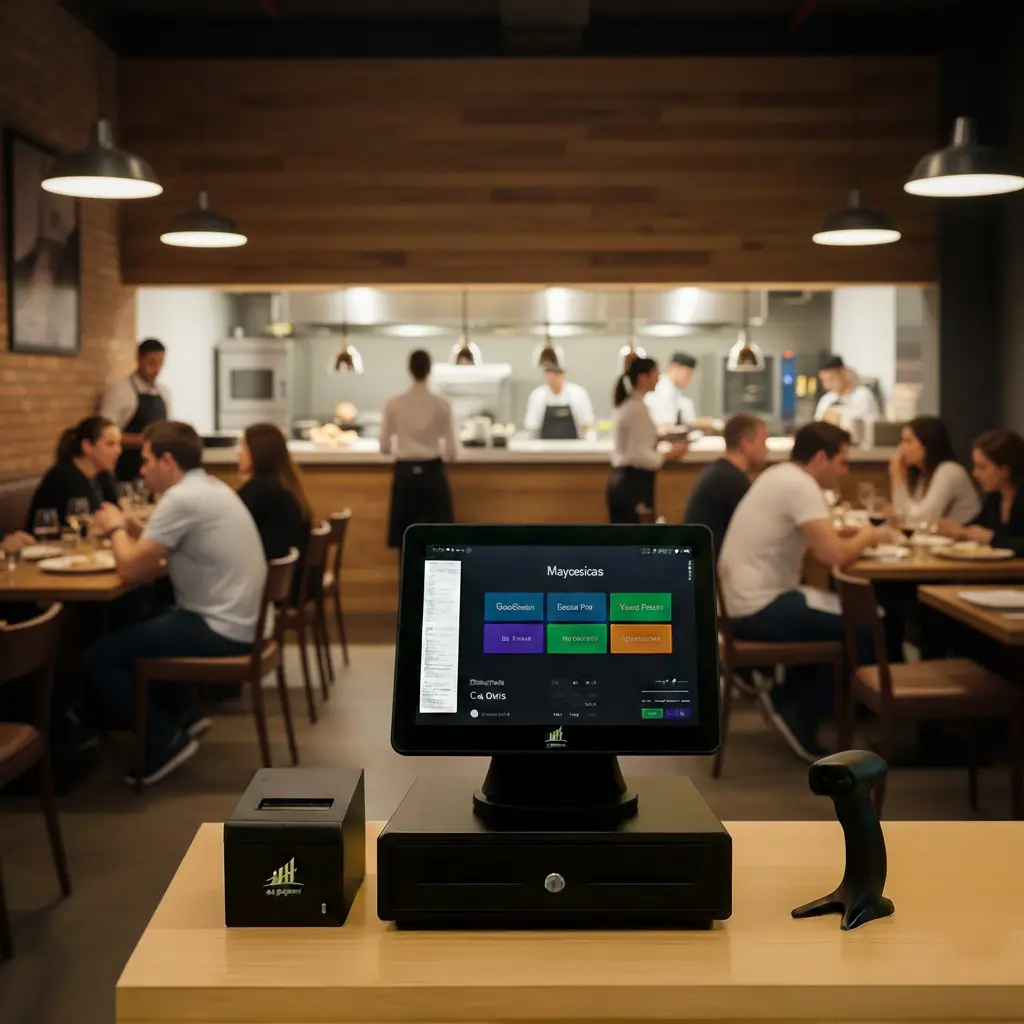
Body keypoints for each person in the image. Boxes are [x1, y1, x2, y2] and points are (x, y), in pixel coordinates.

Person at [86, 422, 267, 787]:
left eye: (147, 460)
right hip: (244, 619)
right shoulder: (207, 486)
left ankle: (163, 740)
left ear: (167, 461)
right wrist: (132, 527)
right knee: (148, 617)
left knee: (99, 657)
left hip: (222, 627)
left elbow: (131, 569)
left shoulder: (181, 498)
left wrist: (115, 528)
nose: (141, 469)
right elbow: (159, 545)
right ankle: (182, 713)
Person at [718, 422, 893, 762]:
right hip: (757, 609)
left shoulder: (781, 475)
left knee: (847, 617)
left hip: (740, 604)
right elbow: (834, 556)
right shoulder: (800, 486)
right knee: (867, 627)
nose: (845, 471)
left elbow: (818, 547)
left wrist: (846, 536)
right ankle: (800, 711)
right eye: (842, 462)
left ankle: (792, 699)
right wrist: (870, 535)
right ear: (820, 459)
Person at [380, 349, 458, 550]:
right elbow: (451, 451)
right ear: (430, 370)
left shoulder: (394, 403)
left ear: (409, 370)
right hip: (433, 473)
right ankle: (436, 581)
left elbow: (384, 447)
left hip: (404, 474)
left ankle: (408, 580)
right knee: (439, 539)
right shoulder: (441, 404)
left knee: (406, 541)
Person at [607, 357, 688, 523]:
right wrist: (669, 455)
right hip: (632, 486)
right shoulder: (636, 410)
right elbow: (639, 455)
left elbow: (637, 442)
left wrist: (663, 437)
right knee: (633, 543)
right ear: (643, 377)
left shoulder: (634, 406)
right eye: (655, 375)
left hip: (626, 484)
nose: (658, 379)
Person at [237, 423, 313, 601]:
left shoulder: (259, 489)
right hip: (294, 582)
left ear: (258, 453)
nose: (239, 454)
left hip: (275, 587)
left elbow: (230, 530)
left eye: (244, 448)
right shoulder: (285, 483)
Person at [683, 413, 769, 558]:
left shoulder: (720, 472)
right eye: (763, 442)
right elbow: (757, 534)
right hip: (708, 573)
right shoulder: (731, 480)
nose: (767, 449)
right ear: (746, 443)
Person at [936, 428, 1024, 554]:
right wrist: (956, 531)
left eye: (982, 467)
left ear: (1005, 470)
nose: (975, 474)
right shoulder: (995, 497)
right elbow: (976, 527)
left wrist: (991, 538)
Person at [26, 416, 121, 529]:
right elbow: (88, 524)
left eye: (119, 444)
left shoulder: (103, 474)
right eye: (110, 444)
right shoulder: (63, 476)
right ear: (87, 446)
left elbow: (116, 512)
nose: (118, 451)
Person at [101, 338, 171, 482]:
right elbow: (104, 434)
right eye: (151, 363)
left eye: (161, 363)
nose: (157, 368)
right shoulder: (120, 391)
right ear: (139, 358)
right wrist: (142, 440)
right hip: (126, 471)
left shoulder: (164, 392)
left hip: (156, 471)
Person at [890, 416, 980, 526]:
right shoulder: (924, 474)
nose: (901, 448)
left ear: (927, 444)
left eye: (908, 441)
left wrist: (898, 478)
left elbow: (923, 520)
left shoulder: (949, 471)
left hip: (969, 541)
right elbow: (904, 517)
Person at [523, 362, 595, 440]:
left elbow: (586, 425)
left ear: (563, 375)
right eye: (549, 373)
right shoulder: (537, 396)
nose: (552, 377)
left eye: (556, 374)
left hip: (574, 447)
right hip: (544, 448)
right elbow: (532, 427)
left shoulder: (578, 394)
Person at [814, 356, 881, 428]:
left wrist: (839, 419)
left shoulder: (862, 395)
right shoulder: (826, 400)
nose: (827, 385)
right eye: (824, 381)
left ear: (844, 372)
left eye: (831, 379)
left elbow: (863, 425)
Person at [644, 351, 698, 432]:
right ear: (674, 368)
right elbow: (666, 428)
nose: (689, 379)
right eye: (687, 374)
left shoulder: (673, 389)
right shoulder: (663, 389)